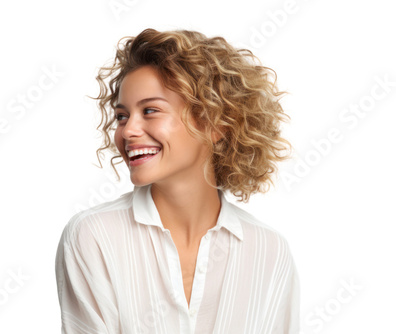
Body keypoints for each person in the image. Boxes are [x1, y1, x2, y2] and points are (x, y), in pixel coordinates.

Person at [55, 28, 300, 334]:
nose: (128, 131)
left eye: (150, 111)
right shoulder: (94, 236)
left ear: (214, 123)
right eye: (121, 116)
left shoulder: (269, 250)